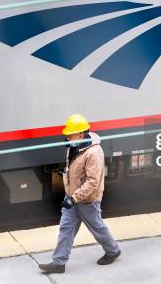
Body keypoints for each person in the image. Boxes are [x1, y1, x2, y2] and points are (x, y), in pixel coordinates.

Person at [39, 114, 121, 274]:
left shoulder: (94, 153)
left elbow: (93, 182)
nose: (67, 137)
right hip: (71, 196)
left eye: (70, 134)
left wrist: (74, 198)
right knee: (66, 228)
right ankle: (59, 262)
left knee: (97, 226)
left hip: (87, 200)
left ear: (81, 134)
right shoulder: (74, 146)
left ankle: (113, 250)